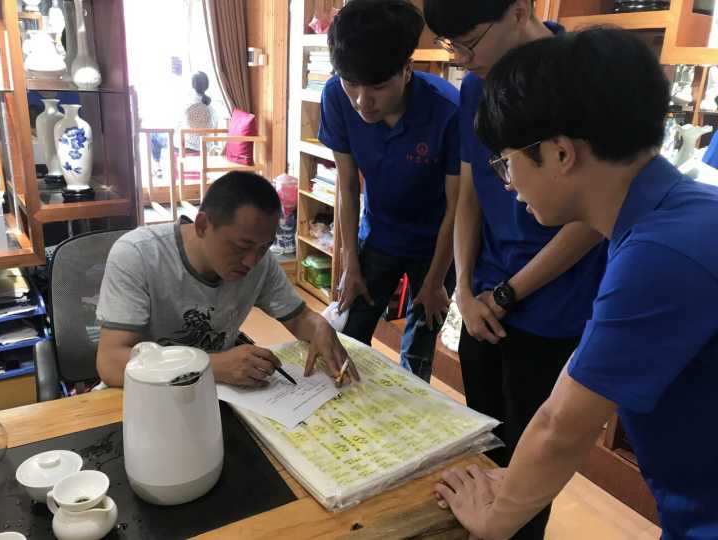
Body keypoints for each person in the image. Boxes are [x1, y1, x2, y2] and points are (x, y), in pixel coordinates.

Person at [435, 27, 718, 540]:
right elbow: (567, 400)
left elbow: (563, 425)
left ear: (561, 154)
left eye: (507, 163)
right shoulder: (677, 216)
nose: (509, 184)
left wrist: (494, 521)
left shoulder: (659, 254)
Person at [423, 2, 607, 536]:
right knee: (487, 445)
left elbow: (594, 216)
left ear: (519, 11)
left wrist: (507, 294)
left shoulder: (582, 79)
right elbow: (472, 192)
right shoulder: (476, 86)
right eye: (451, 46)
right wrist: (464, 287)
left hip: (551, 309)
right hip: (483, 302)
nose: (462, 58)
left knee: (530, 465)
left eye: (469, 41)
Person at [96, 172, 359, 388]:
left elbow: (299, 318)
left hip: (219, 393)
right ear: (202, 225)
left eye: (264, 247)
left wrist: (319, 326)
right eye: (241, 246)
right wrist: (213, 366)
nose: (251, 261)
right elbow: (111, 363)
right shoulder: (139, 254)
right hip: (147, 396)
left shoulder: (260, 262)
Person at [319, 0, 460, 382]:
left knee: (418, 347)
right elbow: (348, 185)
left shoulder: (447, 110)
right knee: (350, 332)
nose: (362, 101)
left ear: (407, 69)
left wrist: (436, 280)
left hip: (436, 245)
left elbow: (457, 206)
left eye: (378, 87)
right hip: (379, 234)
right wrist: (350, 262)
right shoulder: (335, 96)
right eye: (351, 83)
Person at [182, 71, 219, 154]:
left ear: (192, 85)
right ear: (207, 86)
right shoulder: (211, 108)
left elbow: (180, 126)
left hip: (188, 148)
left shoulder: (188, 103)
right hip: (207, 148)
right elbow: (214, 128)